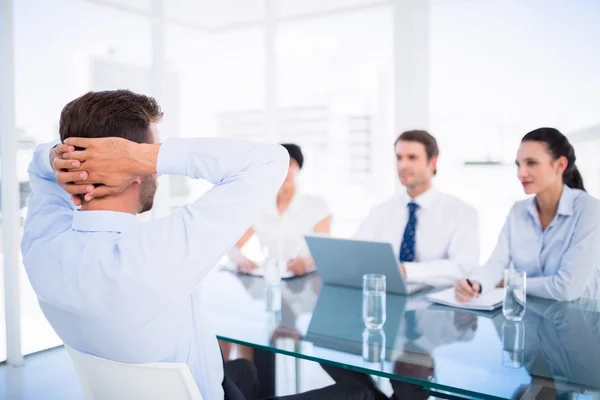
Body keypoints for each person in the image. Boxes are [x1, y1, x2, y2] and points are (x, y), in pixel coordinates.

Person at [21, 90, 375, 400]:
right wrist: (142, 156)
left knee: (245, 372)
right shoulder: (160, 250)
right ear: (132, 165)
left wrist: (59, 156)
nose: (157, 169)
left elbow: (38, 170)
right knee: (359, 393)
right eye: (149, 155)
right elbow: (270, 161)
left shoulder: (42, 247)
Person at [456, 127, 600, 302]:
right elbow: (496, 264)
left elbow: (566, 289)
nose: (520, 173)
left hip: (578, 321)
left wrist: (510, 282)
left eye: (531, 163)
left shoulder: (589, 210)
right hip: (530, 318)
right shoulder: (518, 211)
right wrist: (476, 283)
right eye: (518, 164)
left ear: (560, 165)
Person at [354, 130, 479, 287]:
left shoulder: (461, 213)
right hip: (386, 297)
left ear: (432, 163)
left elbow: (464, 268)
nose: (403, 165)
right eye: (399, 158)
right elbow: (356, 253)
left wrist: (406, 271)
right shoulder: (380, 211)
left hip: (436, 305)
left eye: (412, 158)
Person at [229, 143, 331, 276]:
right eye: (278, 166)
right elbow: (232, 246)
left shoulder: (316, 205)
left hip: (309, 284)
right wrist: (243, 262)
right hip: (272, 283)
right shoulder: (261, 207)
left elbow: (326, 251)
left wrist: (305, 263)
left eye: (290, 164)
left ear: (298, 167)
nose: (284, 171)